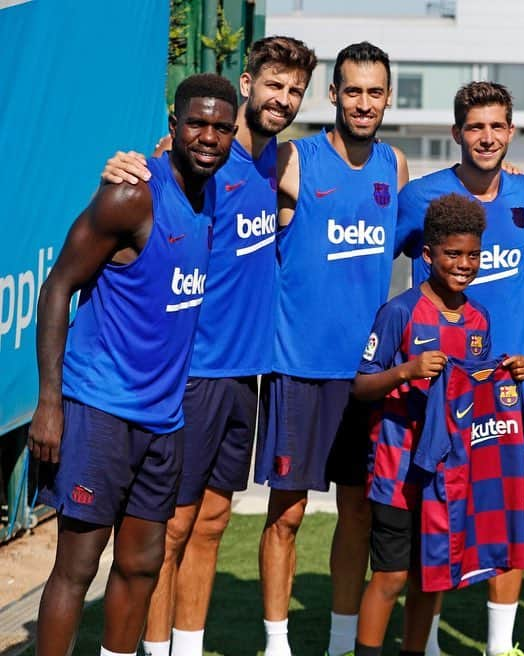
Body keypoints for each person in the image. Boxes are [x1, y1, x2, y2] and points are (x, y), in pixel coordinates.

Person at [99, 36, 317, 656]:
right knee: (168, 529)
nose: (284, 98)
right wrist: (126, 164)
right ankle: (152, 647)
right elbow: (147, 184)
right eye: (274, 84)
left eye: (295, 89)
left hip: (245, 373)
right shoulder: (200, 157)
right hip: (192, 372)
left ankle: (187, 648)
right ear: (247, 85)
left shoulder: (279, 160)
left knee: (213, 522)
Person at [27, 73, 237, 656]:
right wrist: (49, 403)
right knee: (78, 562)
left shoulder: (213, 193)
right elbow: (57, 287)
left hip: (164, 418)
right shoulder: (133, 193)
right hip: (99, 409)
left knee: (143, 563)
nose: (209, 136)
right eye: (197, 122)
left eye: (222, 127)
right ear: (173, 127)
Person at [258, 41, 409, 656]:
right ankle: (276, 643)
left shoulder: (394, 168)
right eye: (353, 90)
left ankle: (342, 644)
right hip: (300, 369)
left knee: (358, 513)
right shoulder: (294, 160)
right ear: (334, 95)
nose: (364, 102)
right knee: (287, 515)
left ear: (388, 97)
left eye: (375, 92)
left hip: (366, 375)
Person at [353, 193, 524, 656]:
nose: (464, 264)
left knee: (431, 577)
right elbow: (361, 385)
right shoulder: (401, 311)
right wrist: (405, 372)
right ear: (428, 255)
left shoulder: (479, 318)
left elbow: (476, 389)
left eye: (473, 254)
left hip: (447, 477)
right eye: (453, 254)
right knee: (390, 577)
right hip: (396, 472)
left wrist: (510, 371)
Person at [395, 80, 524, 656]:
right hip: (435, 391)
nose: (486, 137)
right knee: (434, 514)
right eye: (474, 126)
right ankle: (424, 643)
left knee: (506, 513)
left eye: (496, 126)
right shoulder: (420, 198)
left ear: (511, 131)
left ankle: (499, 645)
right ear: (457, 133)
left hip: (507, 392)